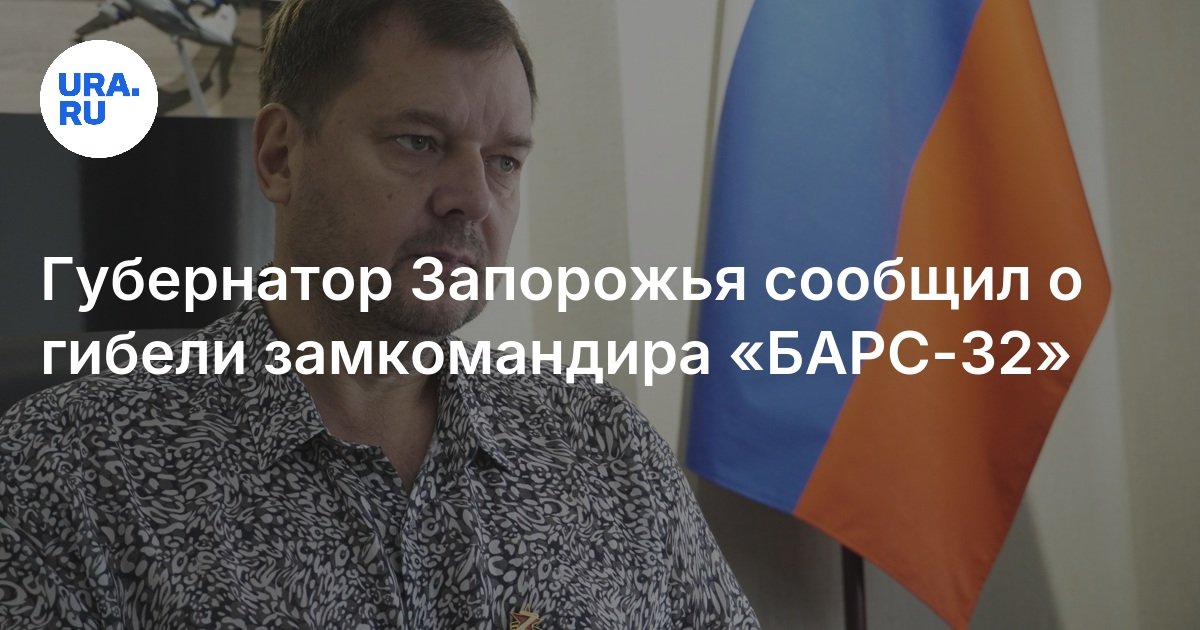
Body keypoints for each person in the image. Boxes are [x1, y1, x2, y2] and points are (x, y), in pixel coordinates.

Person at [0, 0, 760, 627]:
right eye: (418, 142)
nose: (473, 198)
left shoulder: (605, 448)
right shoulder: (69, 474)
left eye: (504, 161)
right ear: (280, 157)